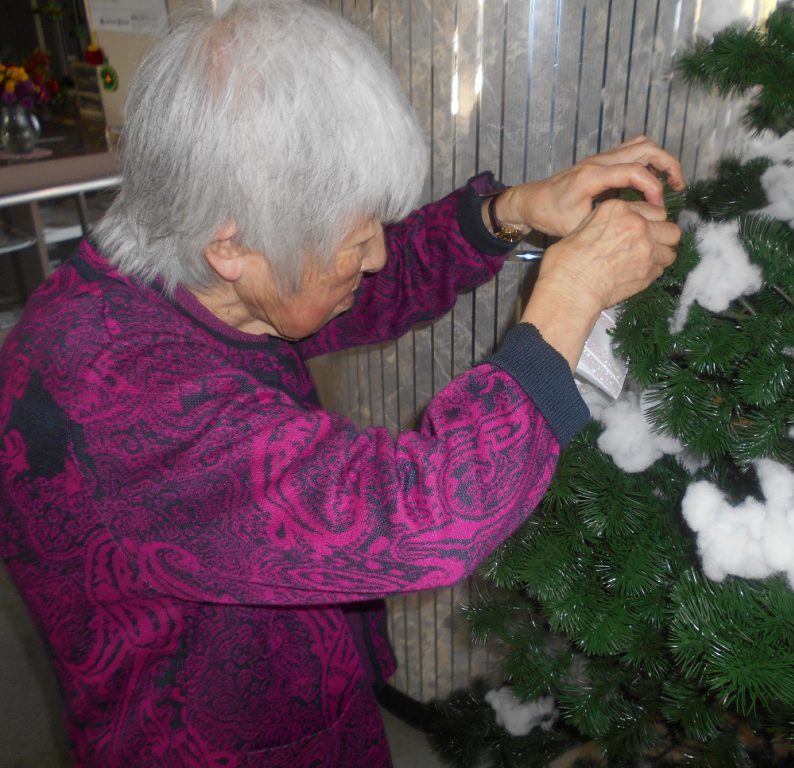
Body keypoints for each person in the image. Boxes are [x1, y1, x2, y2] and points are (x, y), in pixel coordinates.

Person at [0, 1, 682, 765]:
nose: (379, 259)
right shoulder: (116, 398)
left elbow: (345, 294)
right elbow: (426, 515)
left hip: (303, 695)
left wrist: (508, 213)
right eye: (356, 241)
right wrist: (569, 297)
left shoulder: (186, 260)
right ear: (235, 245)